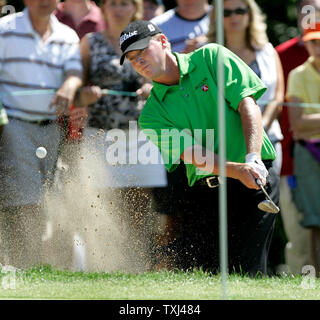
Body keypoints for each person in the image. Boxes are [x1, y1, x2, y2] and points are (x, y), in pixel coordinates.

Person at [119, 20, 279, 275]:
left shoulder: (211, 56)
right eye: (132, 58)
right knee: (207, 277)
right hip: (205, 192)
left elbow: (247, 104)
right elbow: (193, 155)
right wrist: (237, 169)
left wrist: (253, 157)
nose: (139, 61)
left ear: (163, 42)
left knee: (249, 272)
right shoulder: (151, 115)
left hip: (256, 179)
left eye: (143, 50)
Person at [67, 0, 167, 271]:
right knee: (103, 206)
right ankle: (105, 267)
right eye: (113, 3)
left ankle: (134, 268)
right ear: (104, 7)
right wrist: (84, 94)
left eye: (125, 3)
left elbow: (165, 76)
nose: (119, 9)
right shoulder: (91, 42)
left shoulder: (146, 39)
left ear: (134, 8)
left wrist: (151, 86)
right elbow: (76, 85)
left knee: (137, 208)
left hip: (140, 135)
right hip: (101, 134)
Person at [0, 0, 83, 269]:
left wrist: (70, 86)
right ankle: (26, 265)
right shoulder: (5, 29)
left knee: (47, 199)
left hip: (51, 128)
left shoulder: (67, 35)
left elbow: (73, 73)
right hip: (13, 124)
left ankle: (35, 266)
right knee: (24, 200)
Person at [275, 0, 319, 275]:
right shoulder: (281, 55)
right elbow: (295, 123)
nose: (311, 16)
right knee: (301, 241)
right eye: (306, 10)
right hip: (294, 164)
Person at [286, 22, 320, 276]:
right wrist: (307, 124)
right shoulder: (298, 74)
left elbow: (307, 122)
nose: (317, 47)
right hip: (309, 152)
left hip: (309, 145)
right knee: (314, 223)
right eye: (313, 42)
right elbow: (297, 125)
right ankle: (314, 282)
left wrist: (313, 120)